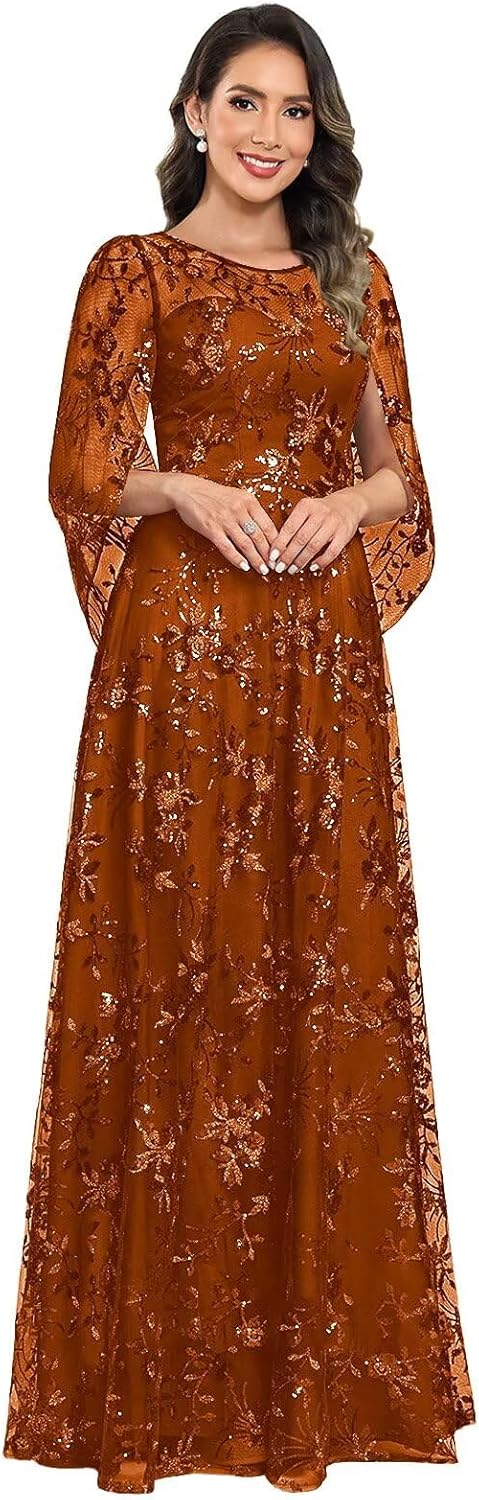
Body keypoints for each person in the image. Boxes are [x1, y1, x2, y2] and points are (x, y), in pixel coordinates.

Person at [3, 4, 475, 1493]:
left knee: (313, 968)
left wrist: (348, 502)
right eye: (247, 102)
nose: (272, 133)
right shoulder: (130, 271)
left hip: (318, 668)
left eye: (297, 109)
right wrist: (180, 487)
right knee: (176, 970)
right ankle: (152, 1403)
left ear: (318, 132)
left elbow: (405, 480)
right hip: (179, 666)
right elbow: (81, 460)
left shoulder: (355, 277)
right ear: (195, 111)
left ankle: (299, 1403)